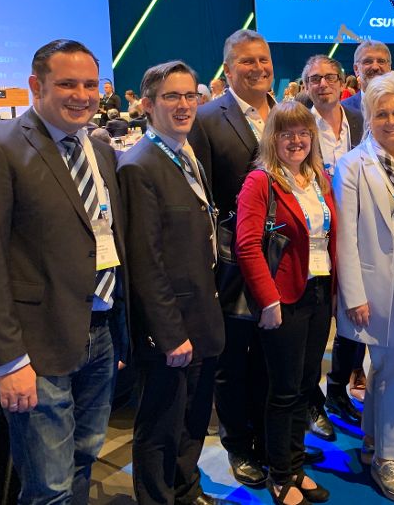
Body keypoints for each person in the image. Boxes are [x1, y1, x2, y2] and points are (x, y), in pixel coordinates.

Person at [0, 39, 127, 504]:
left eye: (88, 84)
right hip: (35, 347)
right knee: (49, 486)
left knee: (84, 456)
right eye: (66, 84)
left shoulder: (100, 151)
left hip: (99, 332)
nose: (81, 95)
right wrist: (8, 360)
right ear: (34, 86)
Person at [118, 61, 224, 505]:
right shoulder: (139, 165)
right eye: (171, 97)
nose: (184, 105)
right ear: (147, 105)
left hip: (202, 311)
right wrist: (168, 333)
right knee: (161, 424)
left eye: (190, 96)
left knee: (193, 417)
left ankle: (185, 488)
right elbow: (146, 261)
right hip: (172, 326)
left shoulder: (187, 152)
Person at [334, 72, 394, 503]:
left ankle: (375, 442)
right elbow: (347, 237)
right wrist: (353, 294)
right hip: (377, 285)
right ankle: (385, 461)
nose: (392, 121)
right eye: (381, 114)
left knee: (386, 367)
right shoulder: (352, 164)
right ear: (367, 119)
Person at [237, 101, 336, 505]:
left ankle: (296, 466)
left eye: (302, 133)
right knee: (283, 390)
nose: (296, 141)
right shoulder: (260, 181)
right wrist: (268, 299)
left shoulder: (318, 178)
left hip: (318, 293)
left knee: (306, 385)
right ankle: (280, 473)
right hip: (283, 299)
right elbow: (246, 247)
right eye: (286, 134)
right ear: (272, 139)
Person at [188, 28, 275, 486]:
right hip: (232, 261)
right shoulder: (205, 119)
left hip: (284, 260)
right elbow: (199, 196)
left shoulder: (285, 113)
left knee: (271, 355)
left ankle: (269, 440)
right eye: (247, 61)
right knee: (235, 360)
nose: (259, 68)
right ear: (228, 68)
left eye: (264, 59)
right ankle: (239, 445)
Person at [299, 55, 366, 436]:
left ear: (342, 82)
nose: (322, 84)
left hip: (357, 234)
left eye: (329, 77)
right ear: (305, 86)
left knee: (354, 318)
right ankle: (313, 402)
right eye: (314, 79)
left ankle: (339, 389)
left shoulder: (358, 121)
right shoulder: (299, 124)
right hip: (317, 237)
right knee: (319, 321)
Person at [341, 40, 392, 114]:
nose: (375, 67)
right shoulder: (343, 110)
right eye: (368, 62)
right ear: (356, 69)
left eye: (381, 61)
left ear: (389, 67)